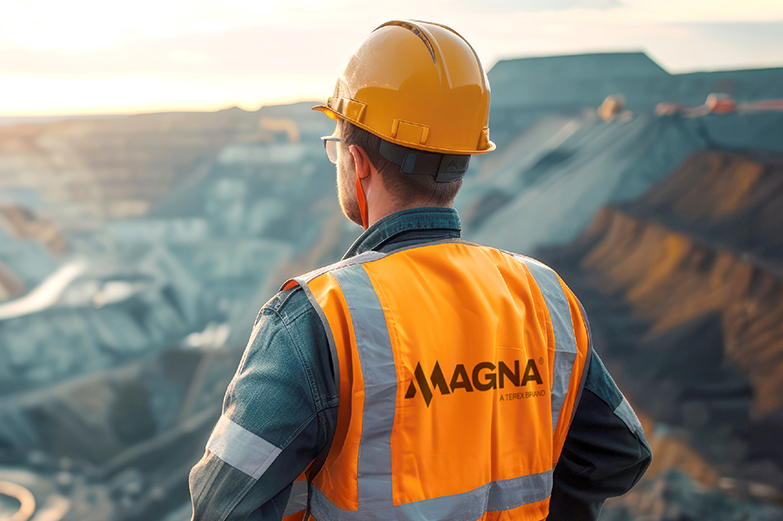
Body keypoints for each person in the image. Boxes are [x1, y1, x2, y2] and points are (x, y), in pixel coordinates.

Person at [189, 19, 651, 521]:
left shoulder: (318, 319)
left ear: (357, 162)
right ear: (463, 160)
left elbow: (223, 507)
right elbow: (619, 452)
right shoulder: (543, 298)